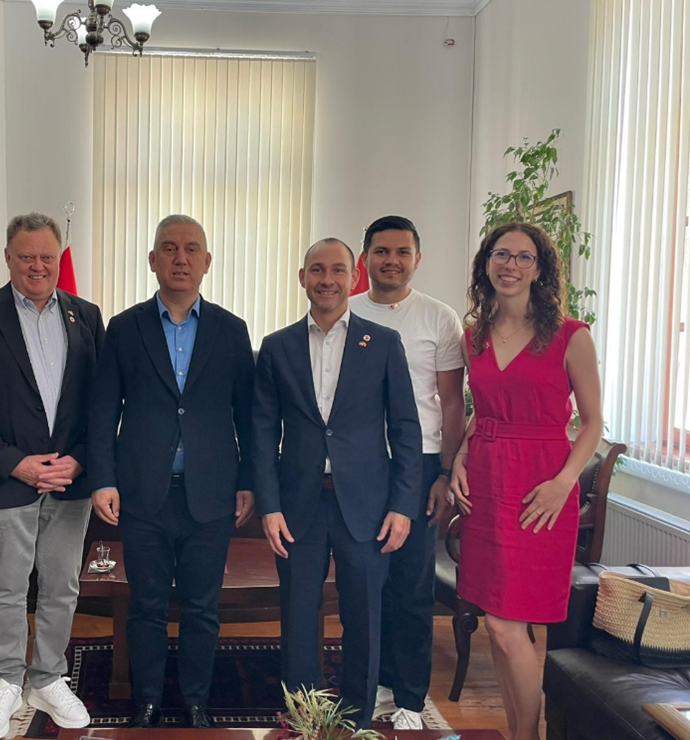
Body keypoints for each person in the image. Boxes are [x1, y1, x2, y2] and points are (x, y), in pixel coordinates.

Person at [88, 214, 256, 729]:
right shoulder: (124, 328)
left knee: (203, 608)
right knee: (146, 606)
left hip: (211, 494)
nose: (180, 258)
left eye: (191, 249)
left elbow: (248, 415)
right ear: (152, 260)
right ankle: (147, 702)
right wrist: (103, 478)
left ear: (207, 261)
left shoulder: (232, 330)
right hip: (143, 493)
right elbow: (103, 410)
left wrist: (248, 481)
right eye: (169, 248)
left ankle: (196, 700)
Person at [0, 212, 105, 740]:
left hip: (69, 478)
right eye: (27, 256)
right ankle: (8, 680)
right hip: (7, 475)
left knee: (61, 584)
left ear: (59, 259)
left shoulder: (86, 315)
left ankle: (48, 677)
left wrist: (80, 458)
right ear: (8, 258)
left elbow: (102, 402)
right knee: (7, 586)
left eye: (47, 257)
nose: (38, 266)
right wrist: (13, 461)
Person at [252, 237, 422, 727]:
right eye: (317, 270)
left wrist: (402, 505)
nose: (327, 279)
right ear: (302, 277)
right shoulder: (277, 346)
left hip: (368, 506)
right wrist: (269, 505)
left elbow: (405, 429)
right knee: (298, 617)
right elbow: (262, 433)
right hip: (297, 505)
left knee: (364, 618)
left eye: (337, 270)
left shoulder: (383, 343)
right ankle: (306, 722)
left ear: (355, 277)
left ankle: (356, 722)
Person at [450, 223, 602, 740]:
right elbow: (483, 409)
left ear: (540, 269)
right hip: (486, 480)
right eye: (501, 255)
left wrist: (564, 483)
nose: (510, 265)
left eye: (523, 257)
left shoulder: (571, 335)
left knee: (507, 624)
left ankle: (529, 736)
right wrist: (460, 456)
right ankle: (518, 732)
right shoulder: (474, 335)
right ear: (486, 263)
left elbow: (593, 423)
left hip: (541, 486)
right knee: (496, 620)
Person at [348, 216, 465, 729]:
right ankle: (375, 683)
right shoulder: (346, 309)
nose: (390, 260)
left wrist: (445, 473)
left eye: (401, 252)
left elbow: (452, 402)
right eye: (381, 251)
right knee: (365, 582)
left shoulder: (439, 317)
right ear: (365, 259)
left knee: (412, 586)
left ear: (417, 259)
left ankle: (411, 698)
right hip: (359, 462)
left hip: (420, 462)